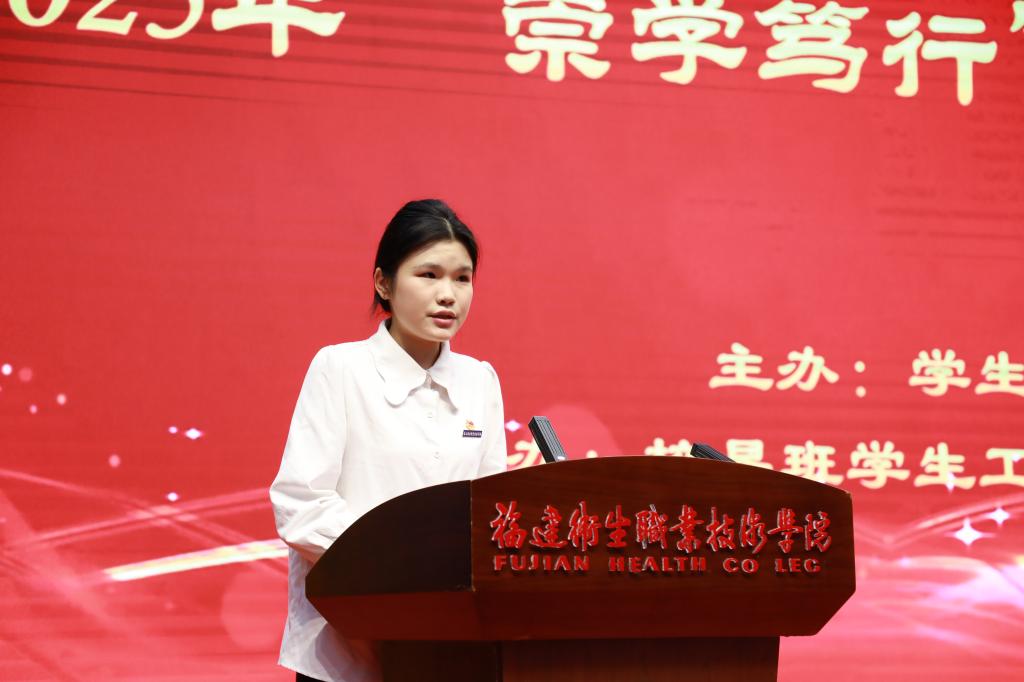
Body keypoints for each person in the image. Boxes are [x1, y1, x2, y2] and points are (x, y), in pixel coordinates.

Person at [269, 199, 507, 682]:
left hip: (449, 647)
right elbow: (301, 504)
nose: (448, 295)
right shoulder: (340, 368)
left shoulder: (480, 380)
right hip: (344, 650)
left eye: (462, 279)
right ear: (383, 283)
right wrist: (406, 561)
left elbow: (489, 511)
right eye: (428, 275)